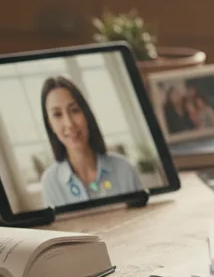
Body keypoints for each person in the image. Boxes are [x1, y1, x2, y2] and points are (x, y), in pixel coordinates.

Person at [38, 76, 144, 206]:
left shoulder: (125, 170)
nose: (69, 123)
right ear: (50, 125)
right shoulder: (50, 182)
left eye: (74, 110)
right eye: (57, 115)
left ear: (86, 114)